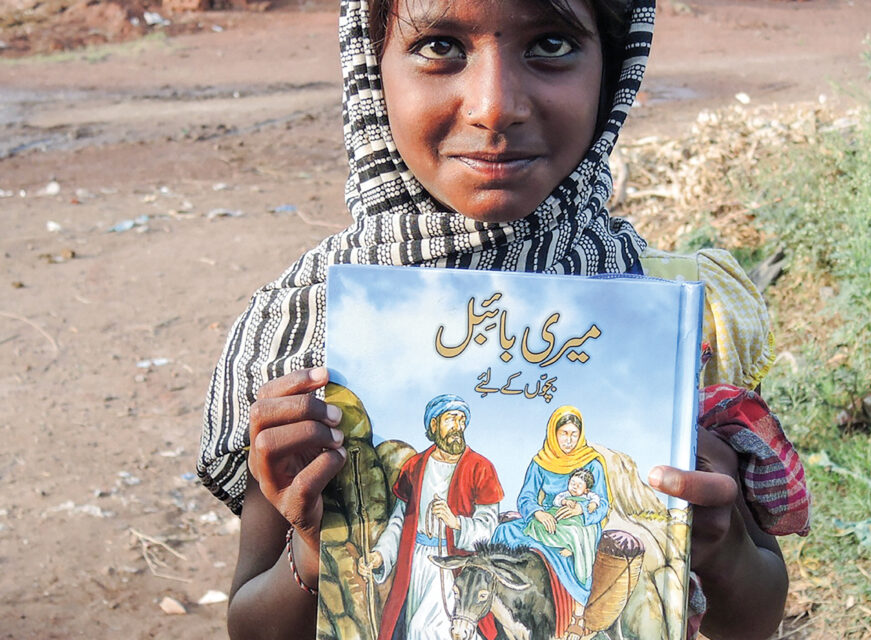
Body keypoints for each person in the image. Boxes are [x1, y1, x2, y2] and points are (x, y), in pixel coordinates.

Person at [195, 0, 809, 639]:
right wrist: (319, 554)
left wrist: (721, 542)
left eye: (550, 44)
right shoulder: (305, 331)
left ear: (615, 63)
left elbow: (753, 620)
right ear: (371, 65)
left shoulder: (680, 322)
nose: (494, 106)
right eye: (439, 46)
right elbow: (253, 624)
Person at [356, 395, 503, 640]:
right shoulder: (415, 466)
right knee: (413, 629)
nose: (458, 427)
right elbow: (399, 521)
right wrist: (380, 554)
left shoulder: (481, 467)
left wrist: (456, 523)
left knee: (429, 629)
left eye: (462, 420)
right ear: (434, 425)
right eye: (451, 419)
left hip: (456, 565)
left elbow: (489, 527)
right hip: (417, 564)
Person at [493, 407, 608, 630]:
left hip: (580, 524)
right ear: (554, 434)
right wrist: (538, 512)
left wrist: (581, 511)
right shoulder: (541, 462)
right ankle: (496, 594)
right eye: (564, 433)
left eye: (574, 434)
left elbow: (603, 504)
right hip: (547, 518)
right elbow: (526, 497)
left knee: (571, 546)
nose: (569, 440)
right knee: (503, 532)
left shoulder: (592, 462)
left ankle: (576, 613)